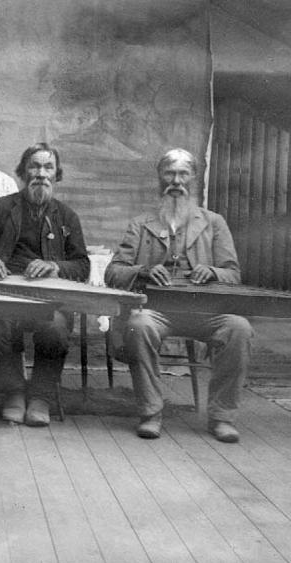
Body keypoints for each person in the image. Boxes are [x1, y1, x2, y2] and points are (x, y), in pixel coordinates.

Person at [105, 148, 252, 443]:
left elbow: (233, 274)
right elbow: (113, 272)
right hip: (157, 311)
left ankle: (222, 416)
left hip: (206, 312)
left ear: (193, 178)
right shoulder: (141, 224)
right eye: (169, 173)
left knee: (239, 328)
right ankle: (151, 412)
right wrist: (143, 271)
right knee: (140, 325)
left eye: (183, 174)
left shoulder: (214, 222)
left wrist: (212, 272)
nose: (176, 181)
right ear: (160, 178)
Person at [0, 143, 90, 425]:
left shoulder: (67, 216)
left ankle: (41, 397)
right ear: (23, 172)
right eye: (34, 166)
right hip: (3, 294)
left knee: (56, 328)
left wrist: (55, 266)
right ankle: (12, 391)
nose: (41, 173)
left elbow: (82, 265)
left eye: (48, 167)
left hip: (48, 299)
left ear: (57, 174)